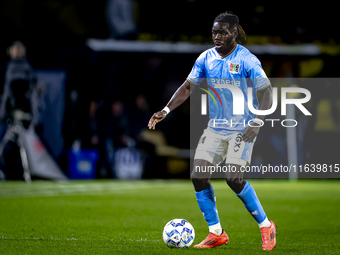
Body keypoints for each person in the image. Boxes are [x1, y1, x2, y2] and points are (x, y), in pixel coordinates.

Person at [148, 12, 276, 250]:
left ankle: (266, 224)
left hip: (242, 128)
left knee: (234, 179)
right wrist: (165, 110)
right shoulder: (206, 58)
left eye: (223, 32)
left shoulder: (247, 60)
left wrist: (257, 122)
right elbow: (187, 87)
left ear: (234, 33)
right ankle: (216, 232)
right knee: (198, 176)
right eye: (214, 32)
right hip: (216, 128)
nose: (217, 36)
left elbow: (267, 92)